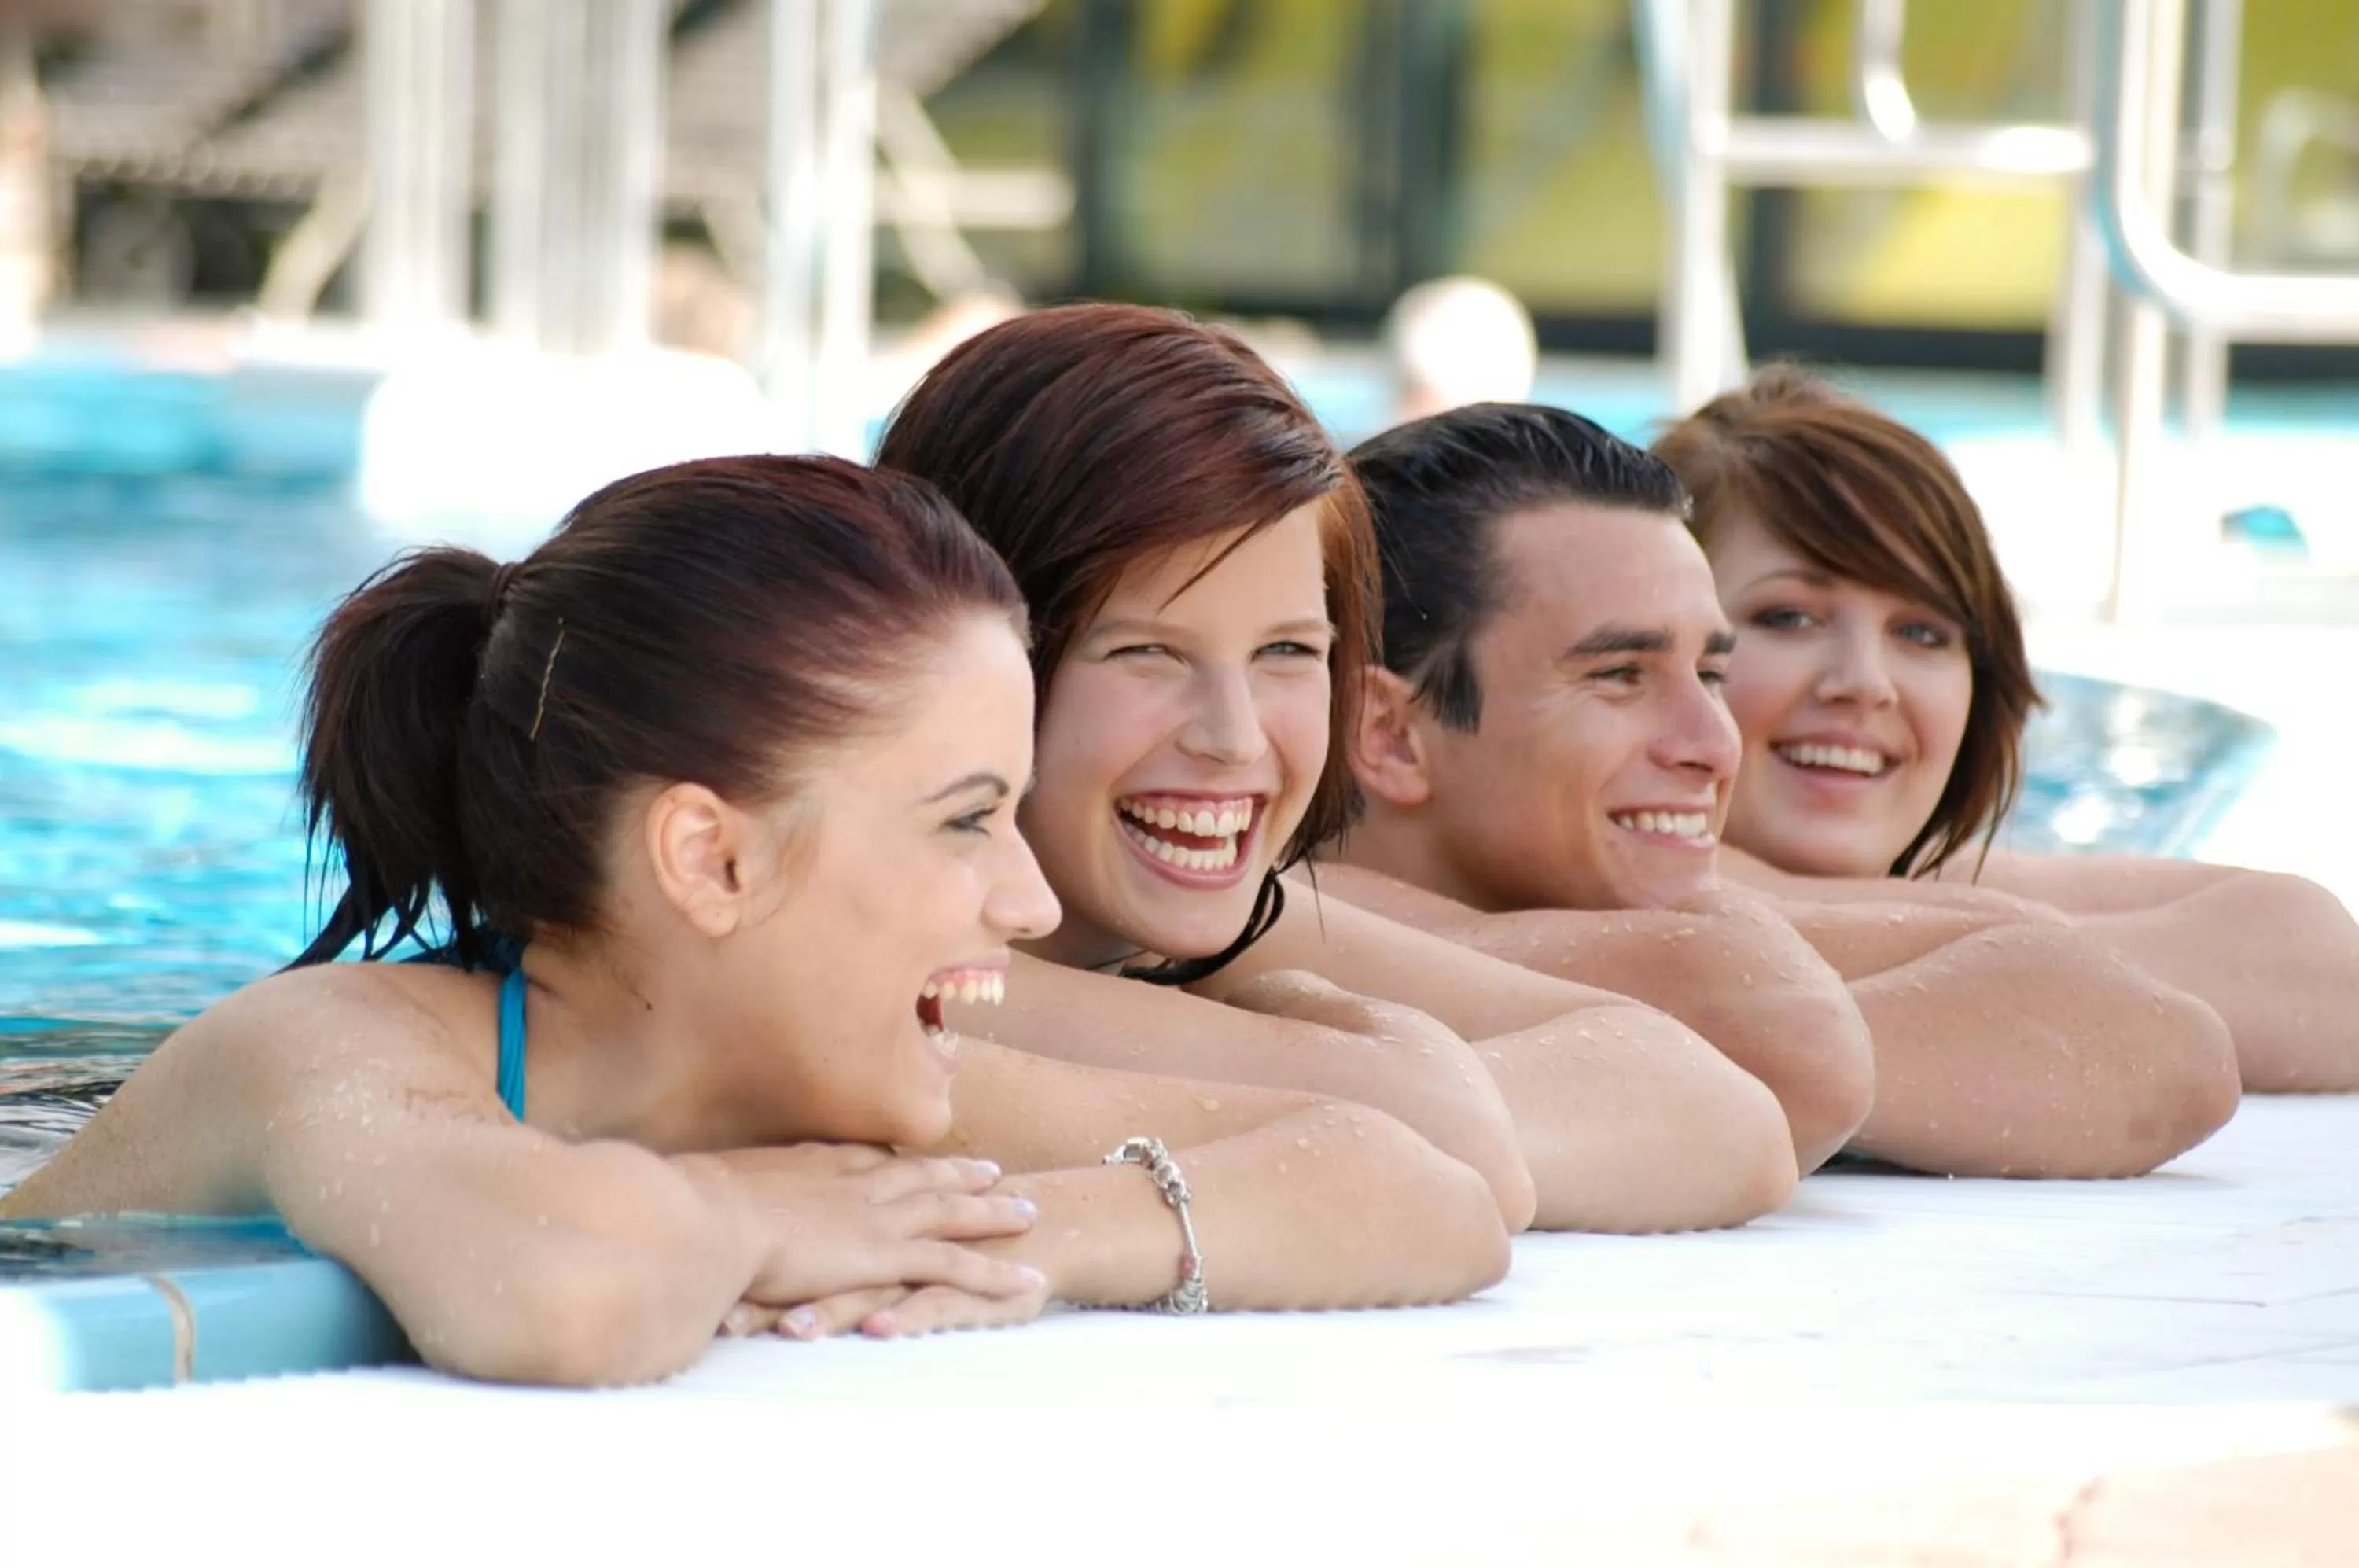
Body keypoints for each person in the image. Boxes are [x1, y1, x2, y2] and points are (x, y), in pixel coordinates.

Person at [0, 455, 1512, 1386]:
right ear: (711, 862)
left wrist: (1034, 1236)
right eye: (964, 817)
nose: (1030, 897)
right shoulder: (327, 1046)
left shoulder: (834, 1082)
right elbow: (558, 1289)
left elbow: (1419, 1185)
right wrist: (768, 1218)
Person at [877, 302, 1870, 1228]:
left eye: (1288, 653)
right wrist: (1357, 1065)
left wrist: (1303, 1024)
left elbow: (1721, 1112)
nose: (1235, 736)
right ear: (975, 663)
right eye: (1149, 651)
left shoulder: (1209, 932)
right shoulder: (882, 958)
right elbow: (1445, 1122)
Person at [1323, 401, 2239, 1178]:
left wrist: (1668, 999)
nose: (1711, 743)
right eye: (1620, 675)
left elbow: (2166, 1048)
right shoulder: (1256, 920)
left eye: (1711, 674)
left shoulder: (1618, 900)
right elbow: (1784, 1023)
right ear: (1391, 734)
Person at [1658, 366, 2359, 1093]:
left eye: (1924, 633)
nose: (1866, 682)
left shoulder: (1941, 880)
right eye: (1789, 617)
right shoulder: (1588, 894)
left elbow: (2323, 967)